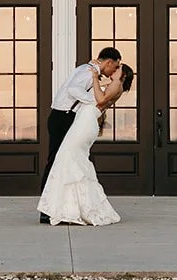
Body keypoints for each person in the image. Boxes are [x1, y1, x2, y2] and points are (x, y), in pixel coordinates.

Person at [37, 61, 135, 227]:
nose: (115, 70)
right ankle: (67, 207)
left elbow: (101, 99)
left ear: (123, 75)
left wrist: (95, 78)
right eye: (115, 67)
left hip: (85, 123)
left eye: (118, 69)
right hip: (83, 121)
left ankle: (67, 208)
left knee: (69, 159)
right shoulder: (113, 84)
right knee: (70, 161)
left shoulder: (116, 85)